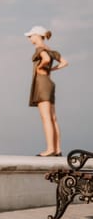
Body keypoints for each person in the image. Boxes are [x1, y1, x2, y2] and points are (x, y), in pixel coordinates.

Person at [25, 26, 68, 157]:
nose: (29, 38)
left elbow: (46, 59)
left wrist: (41, 67)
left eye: (31, 35)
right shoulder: (51, 50)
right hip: (49, 83)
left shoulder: (40, 49)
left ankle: (50, 149)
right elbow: (64, 62)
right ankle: (57, 149)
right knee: (53, 118)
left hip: (42, 83)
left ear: (37, 36)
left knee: (46, 118)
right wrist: (51, 70)